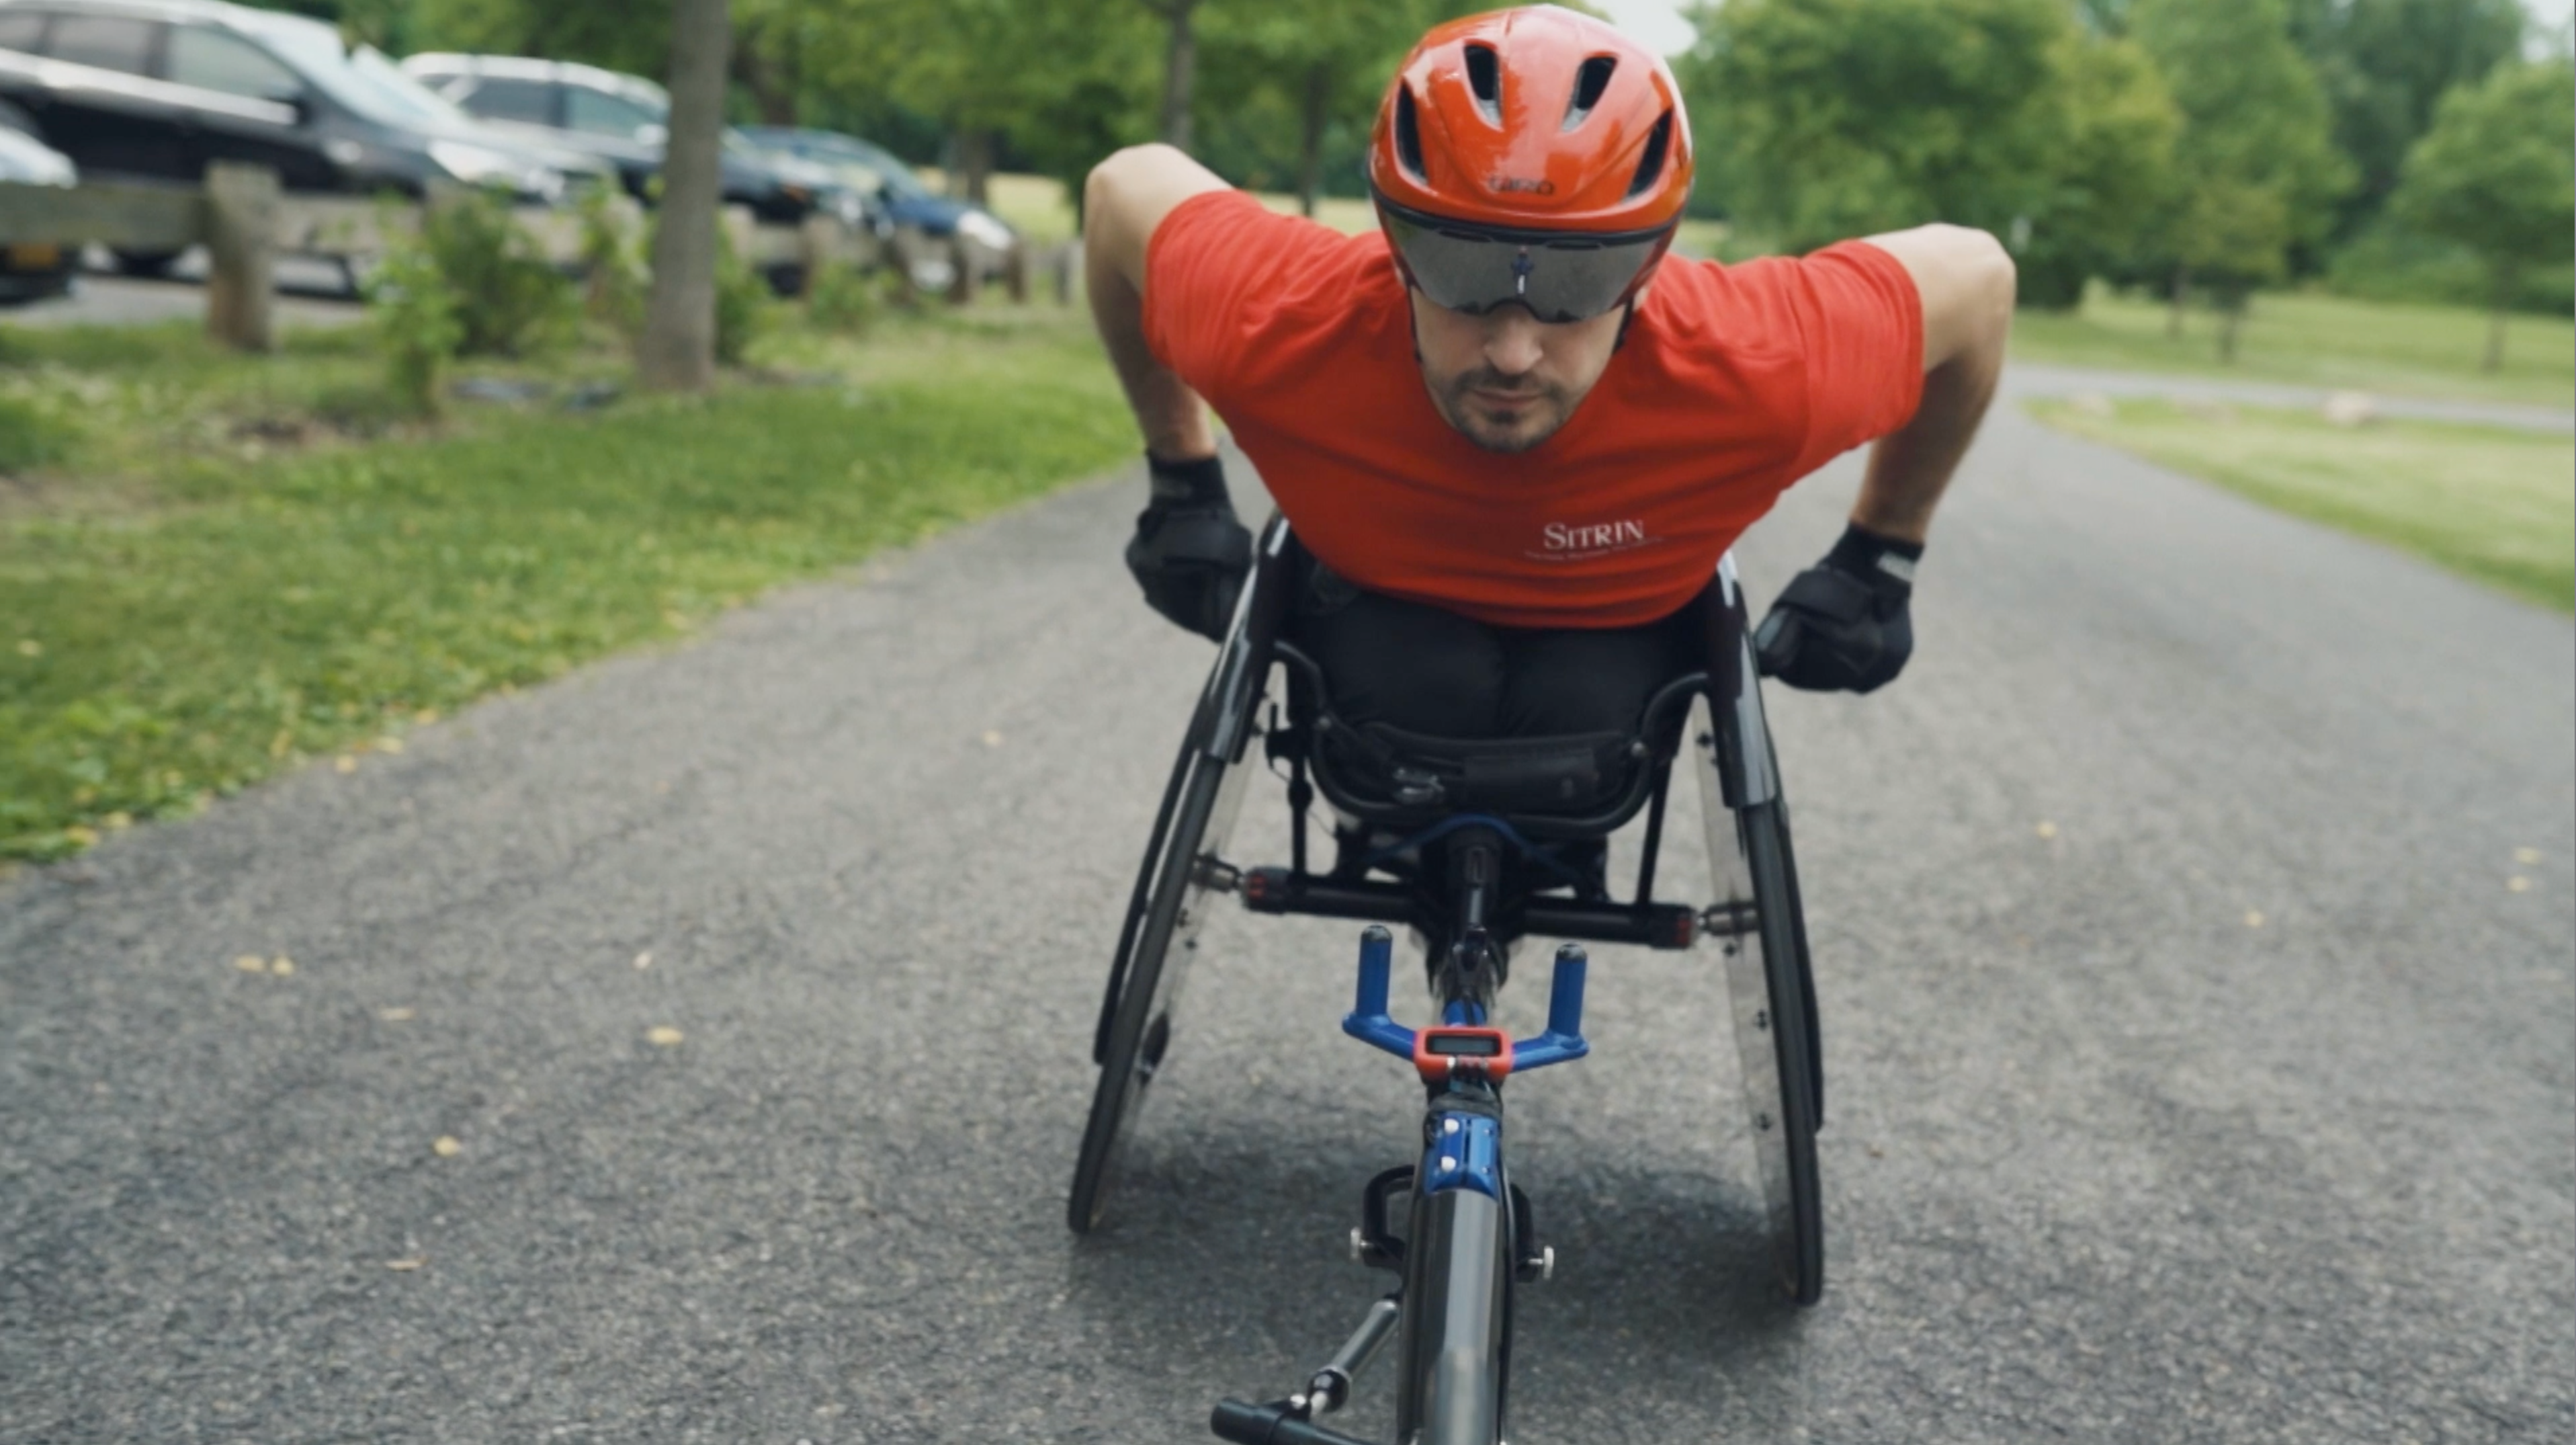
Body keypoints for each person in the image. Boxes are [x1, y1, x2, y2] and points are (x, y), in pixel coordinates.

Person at [1084, 4, 2012, 747]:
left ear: (1647, 266)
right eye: (1458, 274)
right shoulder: (1281, 321)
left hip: (1607, 671)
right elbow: (1120, 186)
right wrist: (1181, 478)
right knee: (1424, 680)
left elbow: (1980, 279)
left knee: (1573, 702)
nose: (1514, 350)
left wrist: (1881, 554)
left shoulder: (1759, 364)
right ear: (1395, 245)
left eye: (1577, 282)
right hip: (1378, 639)